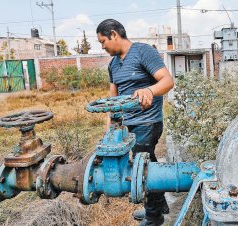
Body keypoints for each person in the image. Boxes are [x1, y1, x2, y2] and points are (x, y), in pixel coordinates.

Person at [96, 19, 174, 226]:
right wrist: (109, 130)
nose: (102, 47)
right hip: (127, 123)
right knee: (146, 160)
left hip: (148, 121)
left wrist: (149, 90)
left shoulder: (143, 52)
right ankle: (159, 203)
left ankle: (153, 217)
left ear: (114, 34)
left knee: (142, 164)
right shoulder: (113, 65)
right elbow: (112, 100)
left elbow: (167, 81)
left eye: (103, 41)